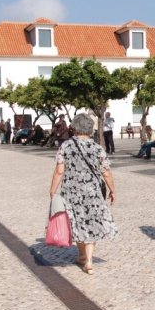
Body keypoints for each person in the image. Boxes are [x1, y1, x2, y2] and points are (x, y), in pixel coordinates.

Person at [49, 113, 117, 274]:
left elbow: (59, 171)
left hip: (71, 191)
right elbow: (106, 172)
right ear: (89, 129)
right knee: (91, 222)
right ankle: (88, 260)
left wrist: (52, 190)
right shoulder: (97, 147)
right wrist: (113, 189)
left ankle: (82, 256)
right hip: (92, 191)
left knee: (76, 221)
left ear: (74, 128)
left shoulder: (66, 145)